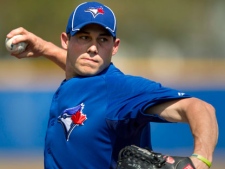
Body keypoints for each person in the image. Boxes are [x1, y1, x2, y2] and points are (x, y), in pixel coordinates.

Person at [6, 1, 218, 169]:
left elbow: (201, 108)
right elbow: (76, 66)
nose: (92, 48)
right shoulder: (81, 78)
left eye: (103, 40)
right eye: (83, 37)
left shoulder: (120, 89)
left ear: (114, 46)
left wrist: (201, 159)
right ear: (66, 40)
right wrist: (45, 48)